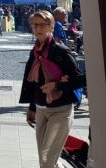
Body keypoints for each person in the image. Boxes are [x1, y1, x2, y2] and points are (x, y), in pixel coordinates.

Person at [19, 10, 86, 168]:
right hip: (41, 110)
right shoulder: (35, 52)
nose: (38, 28)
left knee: (47, 161)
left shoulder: (60, 51)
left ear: (51, 27)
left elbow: (82, 79)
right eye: (35, 25)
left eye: (42, 25)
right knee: (47, 160)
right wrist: (31, 107)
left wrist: (57, 85)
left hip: (60, 111)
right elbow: (33, 82)